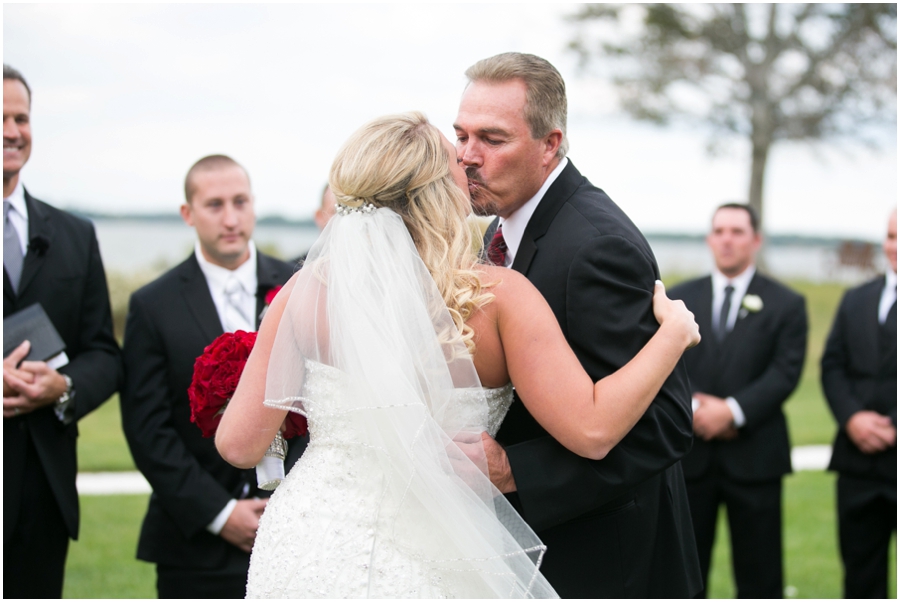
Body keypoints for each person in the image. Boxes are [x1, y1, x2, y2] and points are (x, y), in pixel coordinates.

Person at [215, 111, 700, 598]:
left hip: (309, 544)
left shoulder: (303, 293)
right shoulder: (497, 298)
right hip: (432, 554)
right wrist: (672, 335)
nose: (467, 165)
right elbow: (593, 430)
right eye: (455, 160)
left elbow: (238, 446)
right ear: (438, 194)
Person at [453, 52, 701, 597]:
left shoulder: (595, 246)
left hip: (604, 558)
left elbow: (666, 424)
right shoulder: (501, 224)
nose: (467, 157)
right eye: (461, 135)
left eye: (491, 139)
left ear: (550, 144)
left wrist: (515, 470)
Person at [120, 155, 303, 598]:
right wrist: (220, 513)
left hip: (298, 527)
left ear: (254, 205)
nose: (231, 218)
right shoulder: (152, 305)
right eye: (215, 205)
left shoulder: (300, 285)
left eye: (240, 202)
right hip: (194, 546)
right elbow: (148, 430)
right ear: (188, 213)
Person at [3, 64, 122, 598]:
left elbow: (103, 352)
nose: (11, 130)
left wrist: (64, 387)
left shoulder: (75, 235)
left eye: (21, 117)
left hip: (43, 488)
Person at [669, 203, 808, 598]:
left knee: (760, 574)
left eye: (737, 231)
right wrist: (696, 409)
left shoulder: (786, 303)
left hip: (756, 457)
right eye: (720, 231)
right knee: (685, 570)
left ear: (756, 240)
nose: (727, 239)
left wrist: (732, 411)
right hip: (690, 455)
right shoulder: (679, 299)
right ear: (710, 238)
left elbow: (785, 372)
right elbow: (665, 365)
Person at [821, 208, 896, 598]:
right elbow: (833, 364)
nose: (894, 246)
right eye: (890, 235)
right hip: (857, 463)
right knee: (861, 575)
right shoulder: (856, 299)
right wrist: (852, 418)